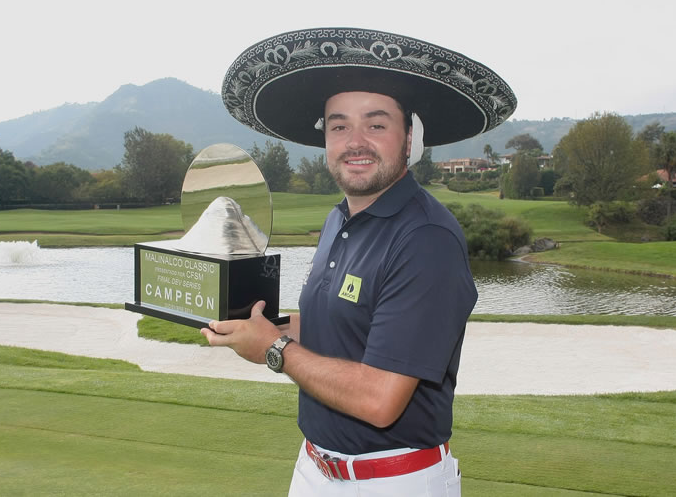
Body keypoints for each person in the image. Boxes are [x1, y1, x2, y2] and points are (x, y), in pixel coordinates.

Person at [205, 28, 516, 496]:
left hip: (393, 481)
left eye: (376, 124)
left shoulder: (425, 238)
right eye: (339, 125)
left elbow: (380, 399)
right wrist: (255, 326)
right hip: (313, 471)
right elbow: (337, 327)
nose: (355, 141)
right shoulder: (339, 221)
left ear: (409, 137)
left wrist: (273, 350)